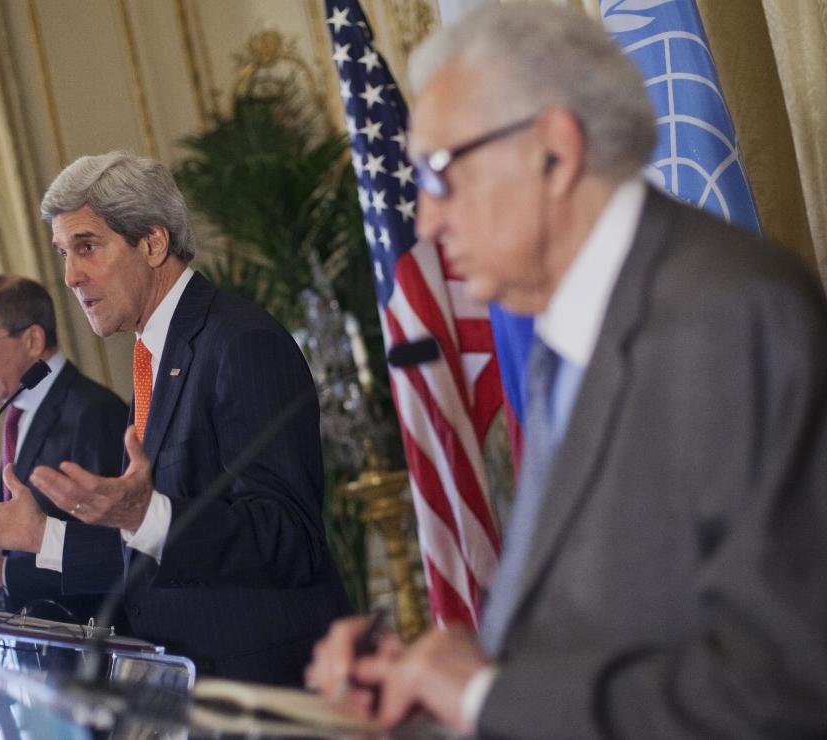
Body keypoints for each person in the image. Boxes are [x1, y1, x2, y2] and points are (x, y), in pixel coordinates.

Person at [305, 3, 827, 738]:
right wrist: (436, 677)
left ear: (554, 151)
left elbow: (787, 690)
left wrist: (487, 697)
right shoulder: (565, 336)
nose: (424, 222)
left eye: (441, 172)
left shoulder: (730, 316)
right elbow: (597, 626)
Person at [0, 153, 352, 685]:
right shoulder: (153, 356)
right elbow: (151, 552)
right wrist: (44, 535)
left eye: (87, 247)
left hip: (269, 689)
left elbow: (288, 538)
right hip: (195, 689)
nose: (69, 276)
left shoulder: (239, 342)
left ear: (153, 243)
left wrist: (146, 515)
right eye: (63, 253)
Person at [0, 275, 129, 625]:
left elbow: (117, 552)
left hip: (94, 650)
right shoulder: (18, 412)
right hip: (42, 646)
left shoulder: (93, 412)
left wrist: (5, 572)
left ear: (33, 339)